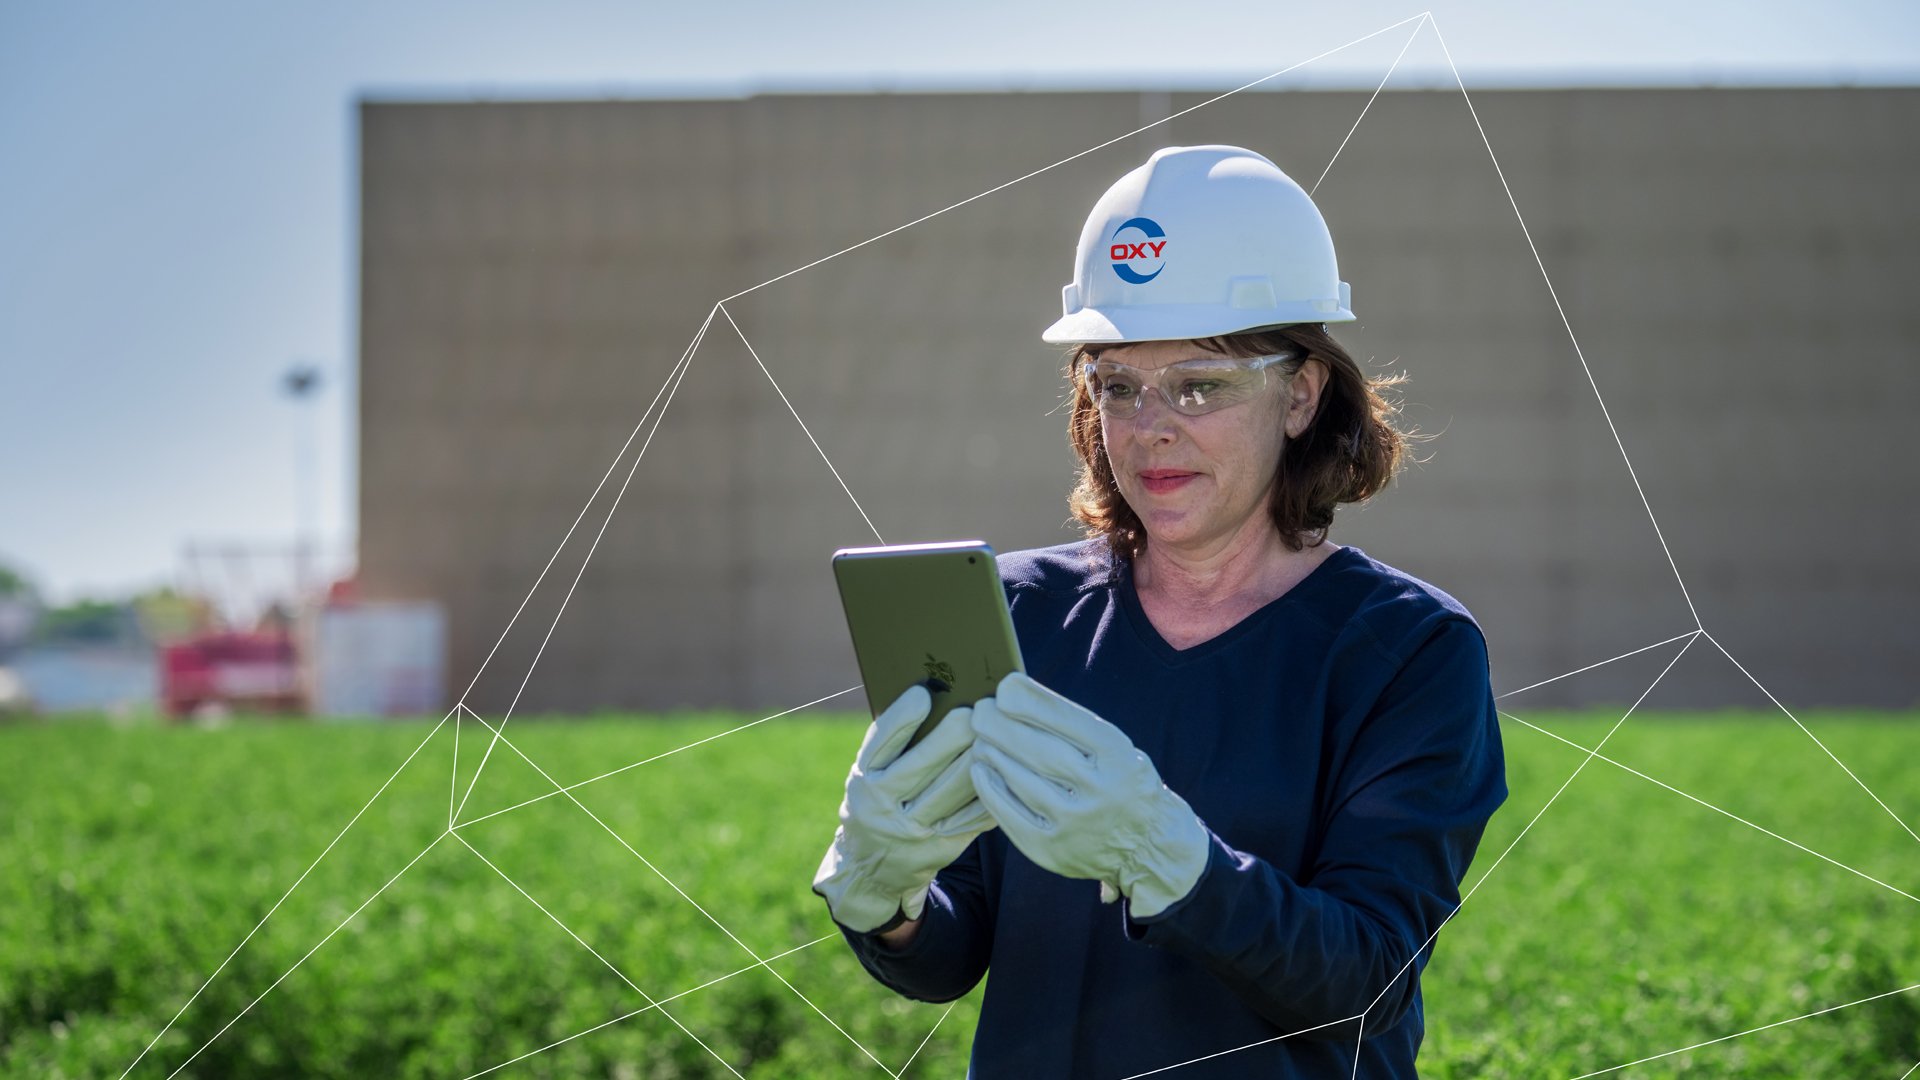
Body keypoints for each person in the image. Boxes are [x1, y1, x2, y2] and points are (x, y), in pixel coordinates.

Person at [811, 144, 1509, 1078]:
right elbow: (954, 953)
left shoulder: (1406, 651)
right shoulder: (1021, 613)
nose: (1153, 428)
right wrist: (886, 900)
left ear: (1301, 394)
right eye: (1118, 386)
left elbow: (1369, 983)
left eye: (1200, 386)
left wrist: (1174, 863)